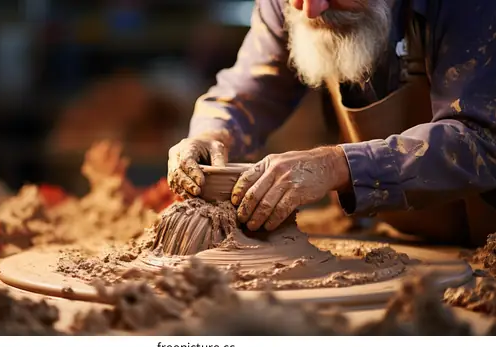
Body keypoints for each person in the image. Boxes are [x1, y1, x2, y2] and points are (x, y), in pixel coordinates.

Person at [167, 0, 496, 246]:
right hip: (401, 238)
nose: (310, 9)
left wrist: (339, 166)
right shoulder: (296, 4)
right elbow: (248, 91)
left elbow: (484, 138)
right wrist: (213, 132)